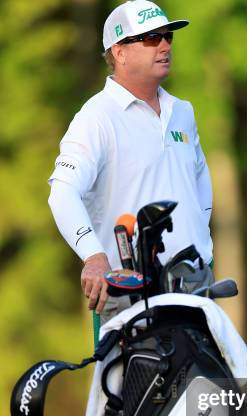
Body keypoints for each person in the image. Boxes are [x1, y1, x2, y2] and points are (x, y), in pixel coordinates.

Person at [48, 0, 213, 328]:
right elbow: (62, 192)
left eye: (167, 37)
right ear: (119, 52)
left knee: (212, 380)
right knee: (126, 381)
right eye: (151, 38)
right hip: (130, 293)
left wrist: (202, 246)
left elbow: (200, 185)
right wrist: (93, 255)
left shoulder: (183, 111)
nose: (164, 45)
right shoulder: (95, 117)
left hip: (193, 284)